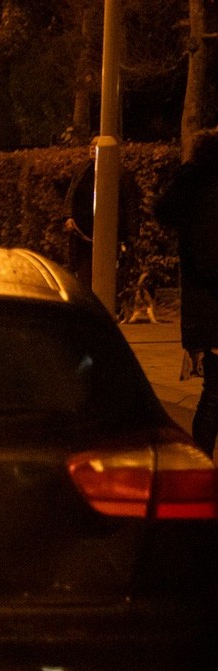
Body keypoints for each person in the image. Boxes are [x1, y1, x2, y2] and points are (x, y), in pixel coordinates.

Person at [158, 130, 218, 455]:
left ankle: (200, 457)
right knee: (215, 394)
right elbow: (210, 258)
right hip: (213, 306)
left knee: (214, 391)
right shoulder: (209, 194)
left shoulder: (192, 190)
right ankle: (200, 458)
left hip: (203, 309)